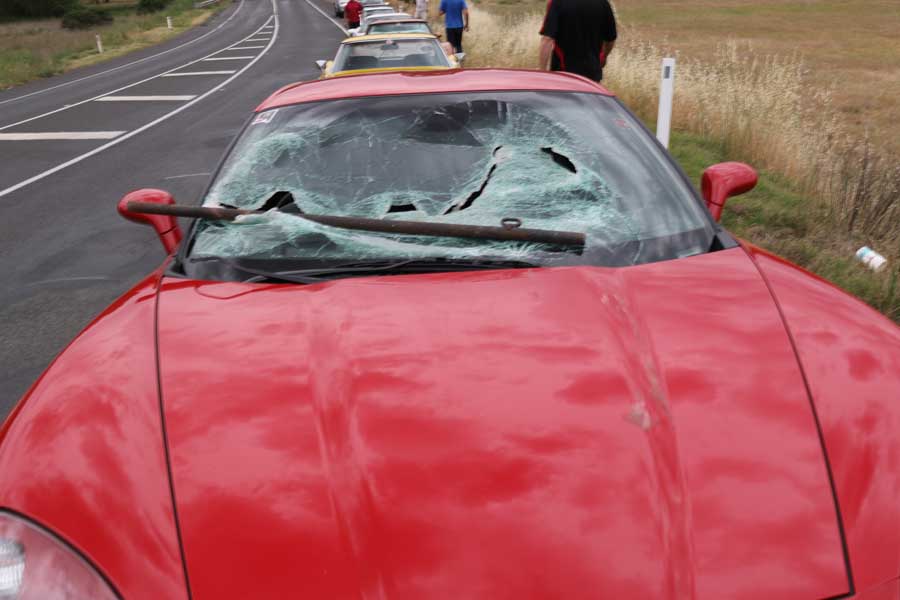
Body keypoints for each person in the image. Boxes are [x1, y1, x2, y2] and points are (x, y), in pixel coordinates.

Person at [539, 0, 617, 82]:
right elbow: (610, 40)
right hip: (592, 76)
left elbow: (547, 39)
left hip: (563, 74)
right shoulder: (603, 3)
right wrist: (604, 56)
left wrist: (542, 73)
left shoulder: (557, 2)